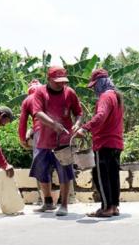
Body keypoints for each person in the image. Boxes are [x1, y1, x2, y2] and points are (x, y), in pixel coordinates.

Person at [31, 66, 83, 216]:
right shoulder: (40, 92)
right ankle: (47, 202)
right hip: (44, 140)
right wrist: (53, 124)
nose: (61, 84)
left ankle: (64, 204)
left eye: (63, 82)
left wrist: (77, 124)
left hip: (64, 141)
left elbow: (79, 113)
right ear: (49, 80)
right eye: (57, 82)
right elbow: (38, 113)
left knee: (64, 172)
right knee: (41, 171)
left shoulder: (70, 92)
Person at [75, 69, 124, 217]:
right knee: (113, 175)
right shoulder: (116, 96)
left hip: (104, 142)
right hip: (116, 142)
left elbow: (101, 115)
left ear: (100, 83)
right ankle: (114, 206)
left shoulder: (105, 97)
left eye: (95, 85)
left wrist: (85, 128)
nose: (94, 89)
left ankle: (106, 208)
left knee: (100, 176)